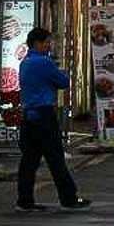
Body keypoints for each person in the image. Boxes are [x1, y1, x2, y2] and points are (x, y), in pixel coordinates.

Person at [16, 27, 90, 212]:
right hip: (44, 116)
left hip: (28, 117)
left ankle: (24, 200)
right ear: (37, 43)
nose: (49, 46)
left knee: (29, 161)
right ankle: (69, 198)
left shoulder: (25, 62)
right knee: (56, 159)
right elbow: (63, 82)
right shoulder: (44, 62)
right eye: (47, 42)